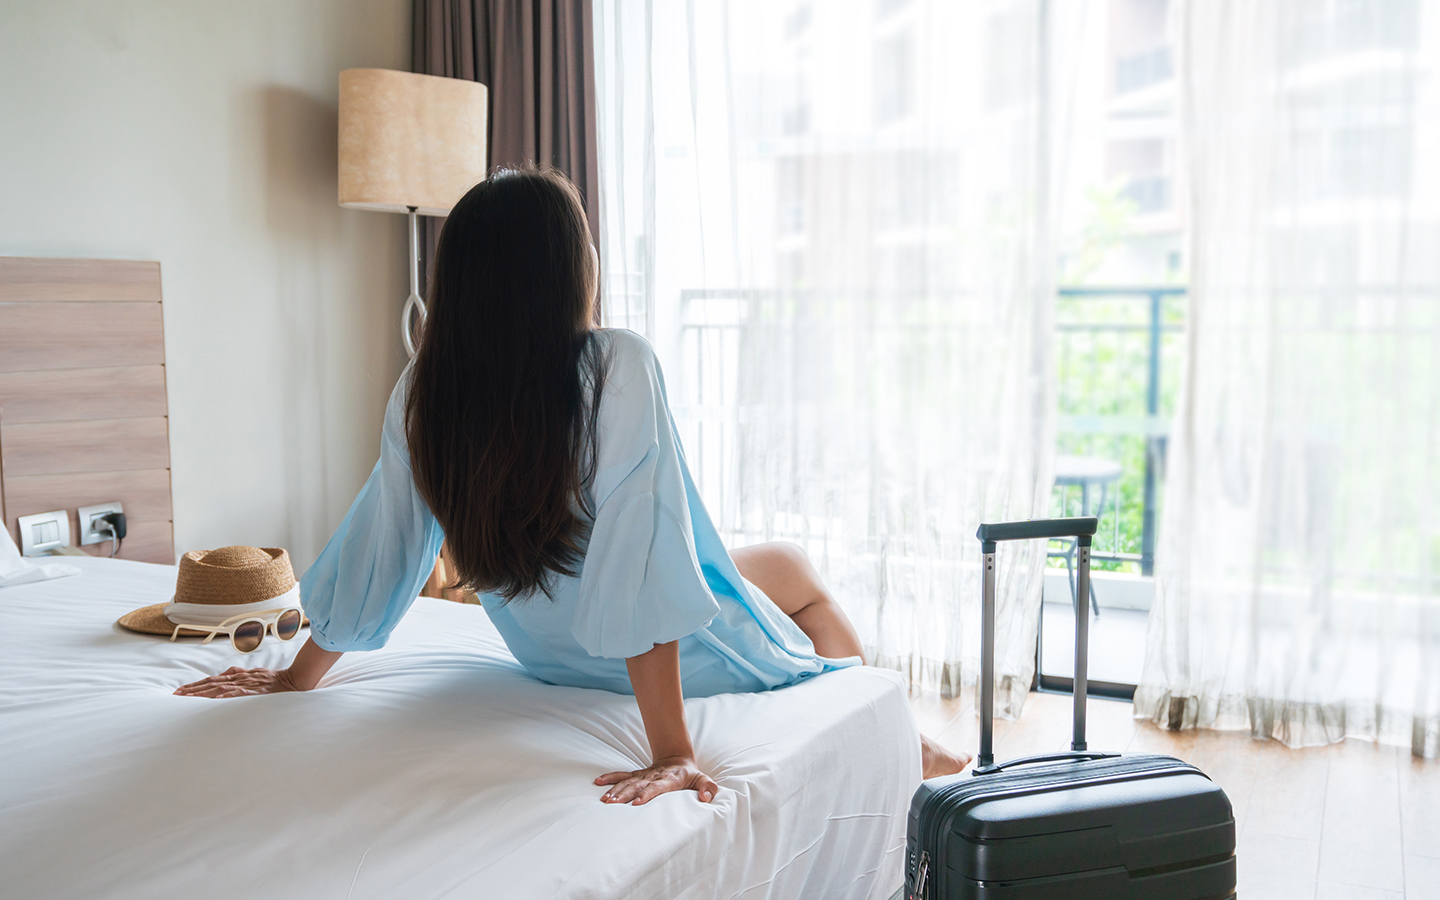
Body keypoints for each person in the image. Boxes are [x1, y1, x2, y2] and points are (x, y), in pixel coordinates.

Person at [175, 167, 970, 803]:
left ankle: (892, 727)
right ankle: (891, 733)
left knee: (778, 563)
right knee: (801, 586)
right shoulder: (614, 365)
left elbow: (384, 550)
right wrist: (672, 752)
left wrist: (297, 675)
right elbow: (640, 562)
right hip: (675, 659)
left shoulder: (426, 387)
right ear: (566, 271)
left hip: (549, 653)